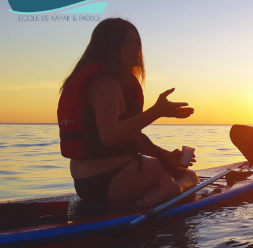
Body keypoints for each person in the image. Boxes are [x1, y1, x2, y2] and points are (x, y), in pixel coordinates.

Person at [58, 18, 198, 206]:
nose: (137, 48)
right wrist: (156, 112)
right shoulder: (106, 84)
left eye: (137, 42)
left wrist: (166, 156)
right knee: (189, 175)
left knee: (168, 169)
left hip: (88, 184)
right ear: (109, 46)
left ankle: (156, 191)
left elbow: (131, 138)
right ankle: (172, 188)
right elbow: (110, 136)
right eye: (127, 42)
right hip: (111, 179)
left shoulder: (101, 81)